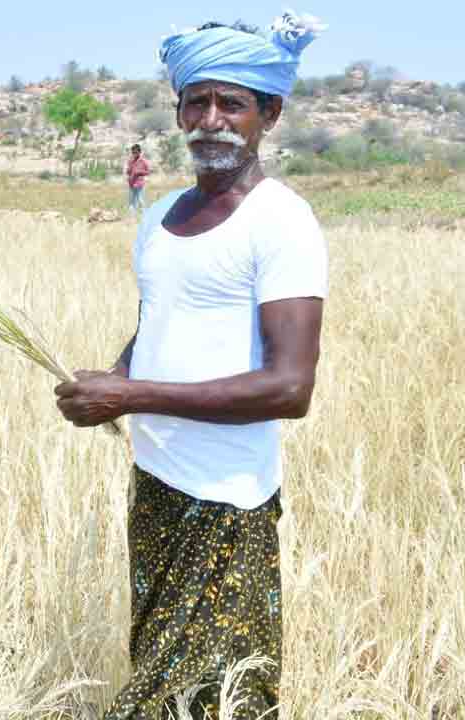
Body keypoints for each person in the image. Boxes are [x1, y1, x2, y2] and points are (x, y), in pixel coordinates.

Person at [54, 12, 327, 719]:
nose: (211, 120)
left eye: (232, 103)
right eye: (196, 102)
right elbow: (157, 325)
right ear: (177, 112)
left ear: (269, 113)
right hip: (155, 483)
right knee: (170, 684)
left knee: (205, 696)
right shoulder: (161, 218)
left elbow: (290, 387)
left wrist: (132, 395)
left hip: (228, 500)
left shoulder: (281, 222)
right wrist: (113, 379)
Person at [125, 144, 151, 216]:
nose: (134, 154)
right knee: (131, 201)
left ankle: (145, 214)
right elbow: (128, 172)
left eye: (135, 152)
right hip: (131, 184)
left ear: (139, 152)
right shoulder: (130, 161)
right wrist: (128, 172)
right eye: (133, 152)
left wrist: (139, 172)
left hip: (140, 184)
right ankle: (132, 216)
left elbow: (148, 172)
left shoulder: (143, 161)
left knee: (140, 200)